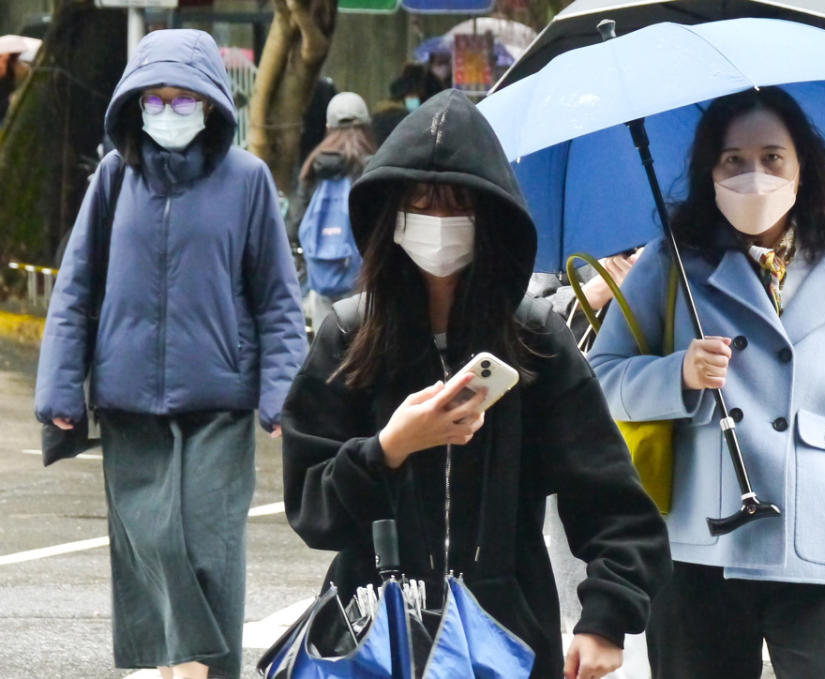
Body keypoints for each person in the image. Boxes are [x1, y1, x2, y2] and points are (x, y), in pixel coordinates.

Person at [281, 89, 672, 679]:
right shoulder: (348, 336)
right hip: (376, 634)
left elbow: (610, 497)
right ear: (390, 213)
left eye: (457, 205)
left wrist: (605, 618)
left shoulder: (535, 339)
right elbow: (312, 510)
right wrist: (390, 448)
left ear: (491, 217)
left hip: (506, 637)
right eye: (421, 203)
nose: (438, 224)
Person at [589, 87, 825, 679]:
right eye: (732, 160)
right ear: (708, 171)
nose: (753, 176)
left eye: (772, 158)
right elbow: (600, 380)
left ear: (803, 168)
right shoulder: (671, 262)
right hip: (699, 546)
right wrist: (677, 375)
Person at [35, 29, 307, 679]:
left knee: (210, 544)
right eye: (154, 98)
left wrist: (283, 391)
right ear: (134, 103)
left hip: (220, 398)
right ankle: (183, 664)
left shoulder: (247, 181)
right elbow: (76, 287)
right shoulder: (112, 177)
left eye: (182, 98)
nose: (168, 110)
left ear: (212, 103)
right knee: (152, 540)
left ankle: (197, 669)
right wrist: (59, 387)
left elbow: (276, 296)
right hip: (128, 399)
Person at [295, 91, 377, 329]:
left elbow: (297, 222)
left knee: (327, 349)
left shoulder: (314, 166)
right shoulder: (371, 166)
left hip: (321, 276)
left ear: (328, 127)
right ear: (366, 126)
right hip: (362, 280)